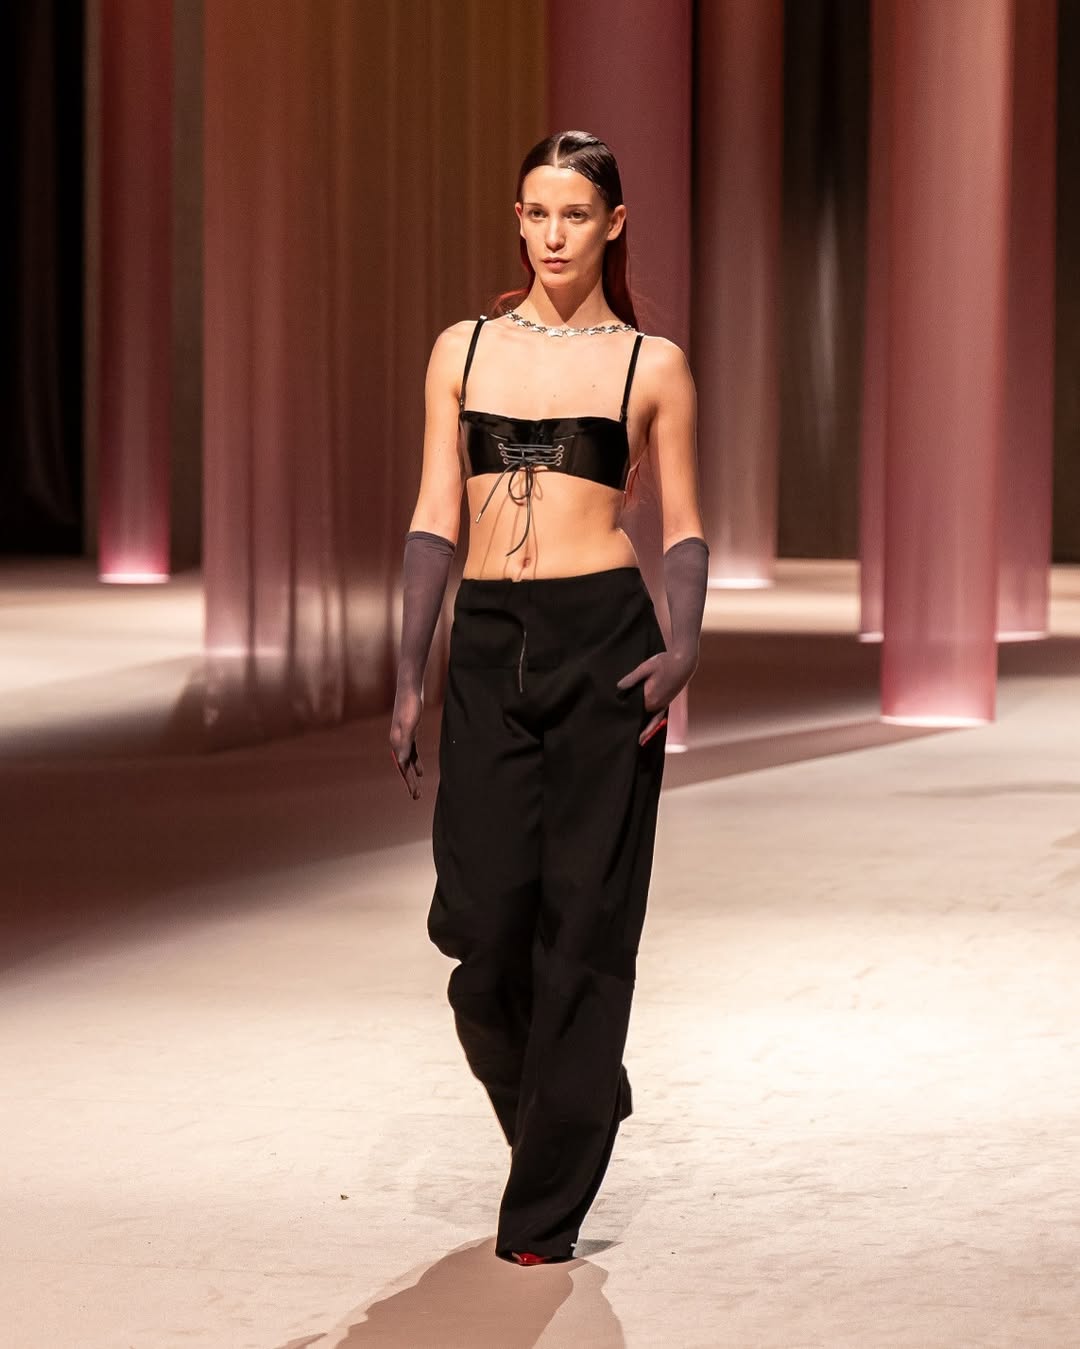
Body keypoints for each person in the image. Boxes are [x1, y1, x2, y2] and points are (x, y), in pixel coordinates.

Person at [389, 130, 709, 1266]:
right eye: (537, 212)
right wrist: (409, 669)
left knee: (586, 921)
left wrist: (685, 644)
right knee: (478, 929)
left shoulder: (650, 363)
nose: (554, 234)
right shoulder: (464, 349)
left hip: (604, 646)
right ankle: (580, 1093)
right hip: (489, 644)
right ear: (517, 219)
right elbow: (436, 514)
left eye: (576, 213)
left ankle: (543, 1212)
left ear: (613, 223)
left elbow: (683, 525)